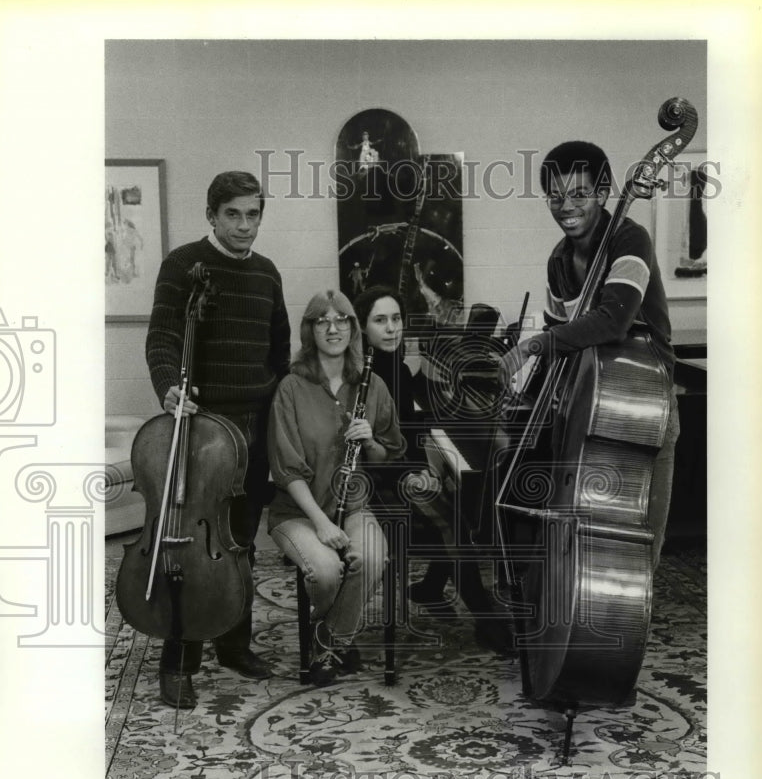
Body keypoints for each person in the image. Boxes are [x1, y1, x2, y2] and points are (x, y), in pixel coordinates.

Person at [145, 170, 291, 708]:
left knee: (240, 544)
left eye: (253, 214)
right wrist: (168, 388)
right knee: (189, 545)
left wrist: (274, 408)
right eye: (233, 214)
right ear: (211, 215)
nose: (244, 225)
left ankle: (234, 644)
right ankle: (178, 662)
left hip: (253, 428)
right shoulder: (184, 265)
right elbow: (162, 334)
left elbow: (280, 349)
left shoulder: (268, 274)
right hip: (202, 430)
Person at [498, 140, 680, 570]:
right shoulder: (558, 261)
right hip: (587, 403)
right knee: (578, 529)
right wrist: (524, 397)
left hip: (642, 403)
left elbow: (612, 320)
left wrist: (531, 346)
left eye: (578, 194)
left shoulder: (630, 239)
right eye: (555, 196)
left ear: (602, 193)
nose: (565, 206)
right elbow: (559, 339)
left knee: (638, 539)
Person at [353, 285, 506, 652]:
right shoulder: (366, 375)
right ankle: (484, 617)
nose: (391, 329)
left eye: (396, 319)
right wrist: (425, 470)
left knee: (465, 490)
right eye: (380, 321)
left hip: (395, 468)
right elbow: (385, 446)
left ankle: (433, 584)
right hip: (373, 482)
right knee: (453, 515)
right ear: (362, 329)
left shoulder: (394, 366)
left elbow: (413, 420)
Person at [267, 290, 406, 687]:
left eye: (341, 320)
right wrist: (322, 524)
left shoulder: (371, 383)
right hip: (299, 512)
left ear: (352, 327)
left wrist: (370, 442)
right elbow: (287, 468)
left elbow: (389, 453)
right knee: (327, 571)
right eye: (322, 321)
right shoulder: (291, 388)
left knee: (373, 558)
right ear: (310, 330)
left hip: (354, 505)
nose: (333, 328)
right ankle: (341, 636)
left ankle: (327, 639)